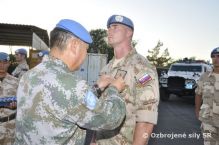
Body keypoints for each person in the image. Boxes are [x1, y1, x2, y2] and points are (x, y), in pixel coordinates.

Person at [14, 19, 127, 145]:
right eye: (85, 49)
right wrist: (114, 89)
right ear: (74, 46)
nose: (85, 55)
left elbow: (67, 103)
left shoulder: (29, 75)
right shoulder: (72, 85)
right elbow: (110, 119)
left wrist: (97, 87)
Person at [92, 15, 159, 145]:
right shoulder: (107, 69)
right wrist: (94, 140)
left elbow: (146, 119)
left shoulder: (142, 67)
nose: (109, 31)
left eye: (115, 27)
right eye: (109, 28)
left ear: (129, 32)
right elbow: (100, 110)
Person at [195, 47, 219, 145]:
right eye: (213, 56)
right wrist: (197, 110)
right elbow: (198, 93)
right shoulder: (204, 76)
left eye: (218, 56)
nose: (215, 59)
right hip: (208, 120)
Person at [0, 52, 19, 145]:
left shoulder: (16, 82)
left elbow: (22, 102)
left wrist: (16, 105)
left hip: (9, 126)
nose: (1, 65)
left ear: (8, 63)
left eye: (4, 62)